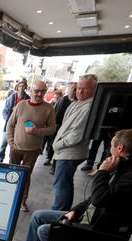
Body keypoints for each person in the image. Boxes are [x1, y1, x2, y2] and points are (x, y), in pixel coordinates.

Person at [24, 128, 132, 241]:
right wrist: (75, 210)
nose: (109, 149)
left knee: (44, 231)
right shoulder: (122, 166)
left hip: (99, 230)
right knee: (38, 216)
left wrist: (102, 172)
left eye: (111, 146)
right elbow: (93, 198)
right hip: (90, 216)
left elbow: (99, 199)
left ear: (120, 148)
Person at [6, 81, 56, 212]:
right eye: (37, 91)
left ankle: (22, 201)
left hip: (33, 150)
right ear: (31, 90)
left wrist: (36, 131)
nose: (39, 94)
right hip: (16, 148)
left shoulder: (48, 108)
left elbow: (52, 129)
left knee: (26, 177)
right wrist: (11, 143)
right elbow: (10, 125)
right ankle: (8, 197)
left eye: (43, 91)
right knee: (12, 174)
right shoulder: (21, 105)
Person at [51, 74, 98, 211]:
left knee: (62, 186)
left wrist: (57, 145)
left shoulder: (89, 107)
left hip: (69, 152)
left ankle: (57, 215)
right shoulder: (78, 103)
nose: (80, 91)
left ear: (94, 90)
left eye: (85, 89)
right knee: (63, 184)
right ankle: (60, 213)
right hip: (66, 151)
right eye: (79, 88)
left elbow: (77, 134)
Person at [46, 82, 77, 173]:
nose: (73, 90)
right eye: (72, 88)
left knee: (62, 147)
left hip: (70, 129)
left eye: (75, 89)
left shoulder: (77, 102)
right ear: (68, 89)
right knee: (54, 143)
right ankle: (49, 158)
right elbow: (56, 112)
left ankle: (55, 165)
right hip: (59, 127)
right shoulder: (63, 100)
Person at [0, 79, 29, 162]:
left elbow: (29, 114)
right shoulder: (11, 98)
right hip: (8, 124)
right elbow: (4, 111)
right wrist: (9, 119)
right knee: (4, 143)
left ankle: (12, 161)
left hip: (20, 126)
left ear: (26, 87)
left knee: (14, 145)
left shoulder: (27, 99)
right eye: (20, 86)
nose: (21, 87)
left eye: (23, 86)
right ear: (17, 87)